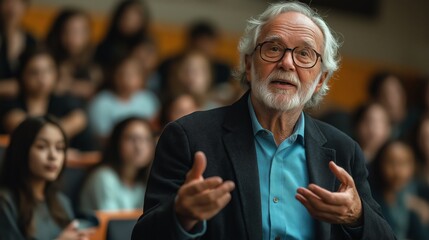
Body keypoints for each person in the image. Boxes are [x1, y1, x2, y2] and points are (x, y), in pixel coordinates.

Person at [132, 2, 395, 240]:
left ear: (320, 80)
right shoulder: (188, 137)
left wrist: (357, 216)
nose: (287, 63)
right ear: (249, 64)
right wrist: (181, 215)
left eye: (304, 54)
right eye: (273, 48)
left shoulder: (343, 151)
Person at [0, 115, 92, 240]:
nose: (53, 156)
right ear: (21, 150)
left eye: (59, 148)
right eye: (42, 147)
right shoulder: (6, 202)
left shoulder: (61, 201)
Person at [0, 46, 96, 151]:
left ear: (56, 73)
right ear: (22, 75)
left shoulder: (68, 103)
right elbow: (28, 132)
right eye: (34, 72)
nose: (42, 79)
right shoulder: (10, 105)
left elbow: (79, 119)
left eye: (48, 71)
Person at [79, 117, 154, 215]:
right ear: (116, 142)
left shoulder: (145, 181)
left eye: (146, 139)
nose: (139, 147)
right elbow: (115, 225)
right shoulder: (103, 177)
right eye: (131, 138)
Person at [88, 54, 160, 140]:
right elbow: (102, 137)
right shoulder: (101, 102)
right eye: (122, 73)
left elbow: (154, 129)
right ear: (114, 76)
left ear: (142, 78)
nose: (126, 78)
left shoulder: (148, 99)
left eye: (132, 74)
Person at [368, 140, 428, 239]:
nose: (398, 171)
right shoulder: (371, 199)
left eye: (404, 163)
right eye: (391, 162)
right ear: (379, 163)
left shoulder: (409, 196)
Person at [45, 8, 101, 101]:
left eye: (79, 31)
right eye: (68, 31)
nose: (73, 37)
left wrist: (69, 85)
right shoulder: (47, 58)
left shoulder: (97, 58)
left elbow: (97, 91)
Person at [0, 0, 37, 98]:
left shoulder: (32, 40)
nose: (12, 8)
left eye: (18, 2)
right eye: (7, 2)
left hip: (23, 102)